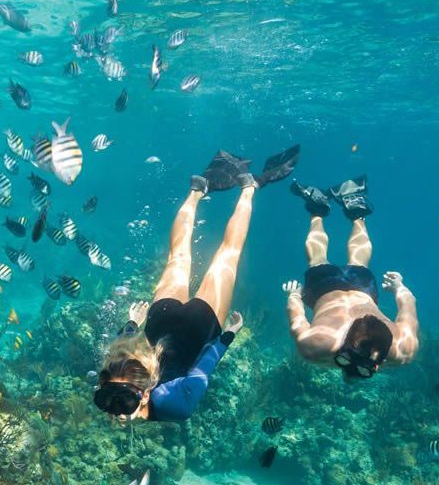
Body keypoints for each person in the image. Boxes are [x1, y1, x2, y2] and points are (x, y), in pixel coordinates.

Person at [93, 146, 299, 421]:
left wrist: (228, 335)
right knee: (177, 256)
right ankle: (197, 190)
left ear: (145, 394)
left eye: (117, 402)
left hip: (200, 327)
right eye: (108, 402)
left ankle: (249, 188)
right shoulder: (116, 373)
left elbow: (205, 366)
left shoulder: (175, 407)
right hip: (160, 320)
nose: (117, 413)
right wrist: (131, 324)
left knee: (228, 254)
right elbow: (117, 353)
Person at [284, 175, 418, 378]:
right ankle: (318, 210)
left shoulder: (404, 348)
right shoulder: (402, 350)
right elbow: (297, 320)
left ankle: (350, 212)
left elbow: (408, 304)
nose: (354, 367)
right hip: (325, 289)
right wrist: (294, 295)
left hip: (361, 287)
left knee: (357, 261)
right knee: (318, 260)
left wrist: (400, 287)